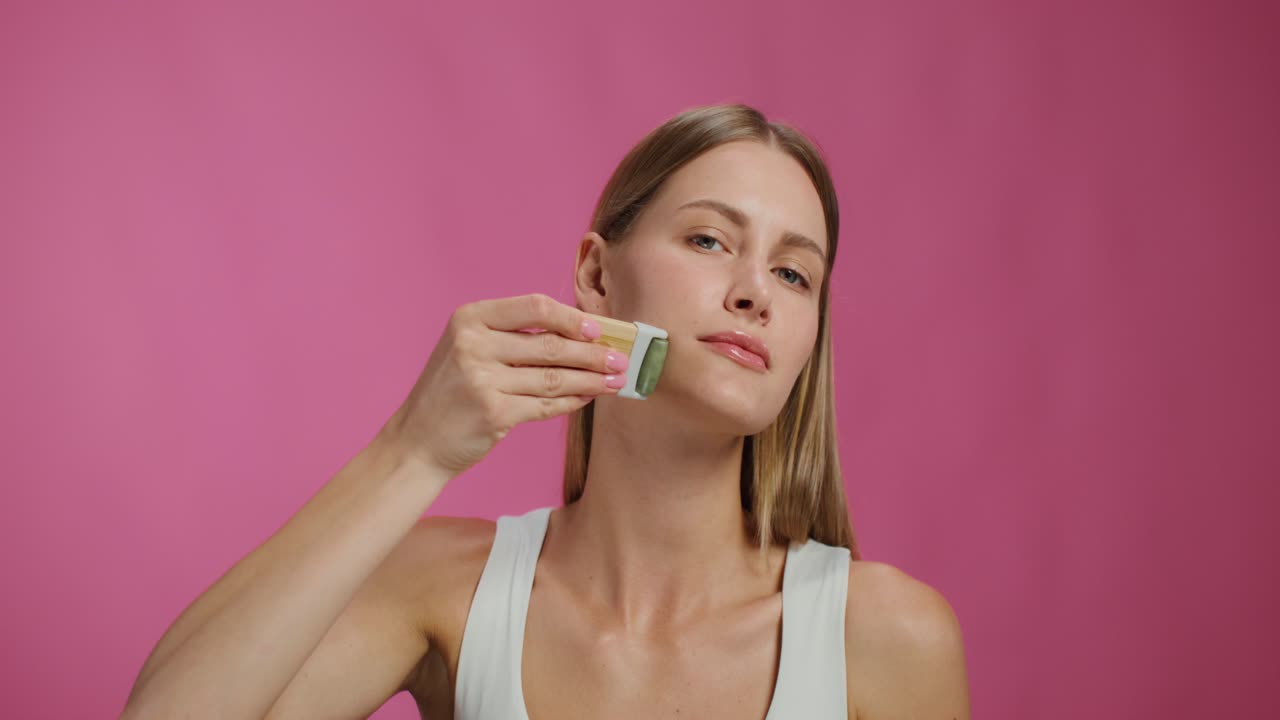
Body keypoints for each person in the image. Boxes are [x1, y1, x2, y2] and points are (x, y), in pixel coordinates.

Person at [122, 103, 971, 719]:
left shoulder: (886, 634)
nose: (754, 293)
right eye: (710, 240)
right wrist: (411, 453)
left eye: (795, 274)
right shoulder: (445, 589)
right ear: (599, 277)